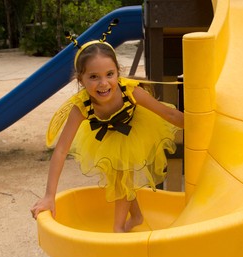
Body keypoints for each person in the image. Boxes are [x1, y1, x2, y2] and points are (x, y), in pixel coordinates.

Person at [30, 31, 184, 233]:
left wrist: (202, 121)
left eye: (109, 74)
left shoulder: (130, 91)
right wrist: (49, 196)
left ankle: (118, 228)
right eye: (94, 77)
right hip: (107, 135)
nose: (103, 83)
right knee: (117, 174)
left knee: (120, 175)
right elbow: (60, 151)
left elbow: (169, 115)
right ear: (81, 80)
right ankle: (136, 216)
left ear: (118, 73)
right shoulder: (80, 107)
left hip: (135, 130)